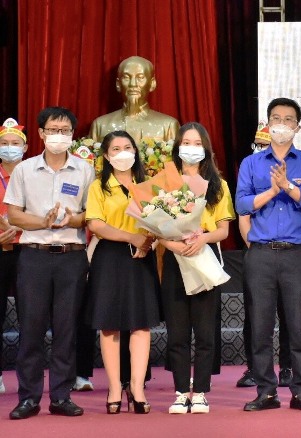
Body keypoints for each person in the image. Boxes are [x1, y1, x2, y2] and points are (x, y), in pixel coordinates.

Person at [4, 107, 95, 419]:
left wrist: (74, 219)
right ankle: (28, 398)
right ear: (41, 133)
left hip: (72, 256)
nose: (59, 136)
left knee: (67, 329)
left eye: (65, 130)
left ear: (72, 134)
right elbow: (14, 215)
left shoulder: (84, 170)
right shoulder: (24, 170)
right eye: (53, 130)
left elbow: (92, 215)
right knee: (31, 328)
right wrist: (42, 221)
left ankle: (61, 396)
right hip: (34, 256)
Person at [237, 98, 301, 412]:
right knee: (260, 327)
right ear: (268, 124)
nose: (282, 124)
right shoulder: (251, 163)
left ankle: (300, 391)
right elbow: (242, 204)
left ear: (297, 127)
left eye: (288, 119)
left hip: (295, 255)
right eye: (276, 118)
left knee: (298, 328)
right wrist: (272, 191)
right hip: (260, 254)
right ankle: (266, 392)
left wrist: (287, 185)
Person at [158, 122, 234, 414]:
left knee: (204, 333)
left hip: (204, 257)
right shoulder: (165, 181)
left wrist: (202, 238)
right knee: (177, 333)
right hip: (175, 258)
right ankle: (180, 392)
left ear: (206, 149)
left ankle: (200, 391)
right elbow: (155, 227)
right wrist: (172, 244)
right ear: (178, 147)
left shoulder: (218, 185)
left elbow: (223, 230)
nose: (191, 149)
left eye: (197, 143)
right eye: (186, 143)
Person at [84, 131, 160, 414]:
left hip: (142, 257)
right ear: (106, 155)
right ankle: (115, 387)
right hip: (110, 256)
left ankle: (137, 388)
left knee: (141, 324)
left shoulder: (148, 185)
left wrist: (148, 242)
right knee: (110, 325)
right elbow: (96, 224)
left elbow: (161, 221)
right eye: (115, 149)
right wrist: (132, 238)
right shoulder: (99, 187)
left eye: (127, 147)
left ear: (136, 152)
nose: (123, 153)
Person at [236, 128, 293, 389]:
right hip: (258, 252)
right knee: (256, 315)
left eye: (264, 144)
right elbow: (243, 216)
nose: (260, 149)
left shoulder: (289, 168)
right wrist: (255, 248)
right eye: (257, 144)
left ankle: (288, 367)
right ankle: (254, 369)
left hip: (287, 252)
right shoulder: (250, 168)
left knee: (288, 313)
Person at [89, 56, 180, 142]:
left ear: (152, 83)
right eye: (126, 77)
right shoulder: (100, 125)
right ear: (118, 84)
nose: (133, 84)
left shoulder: (168, 125)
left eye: (140, 77)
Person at [0, 118, 27, 395]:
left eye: (15, 143)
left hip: (27, 251)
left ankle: (28, 376)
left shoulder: (32, 174)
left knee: (29, 316)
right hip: (1, 250)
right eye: (4, 143)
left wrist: (20, 226)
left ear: (25, 147)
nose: (9, 148)